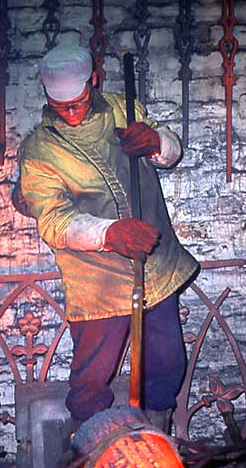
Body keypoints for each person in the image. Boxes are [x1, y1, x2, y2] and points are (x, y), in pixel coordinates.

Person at [17, 44, 199, 431]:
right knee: (90, 380)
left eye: (78, 103)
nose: (70, 113)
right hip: (96, 280)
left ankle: (155, 442)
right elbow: (53, 221)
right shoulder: (39, 150)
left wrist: (156, 142)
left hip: (154, 267)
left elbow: (171, 151)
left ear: (93, 82)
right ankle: (95, 453)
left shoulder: (122, 109)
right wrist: (110, 233)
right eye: (60, 105)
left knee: (166, 363)